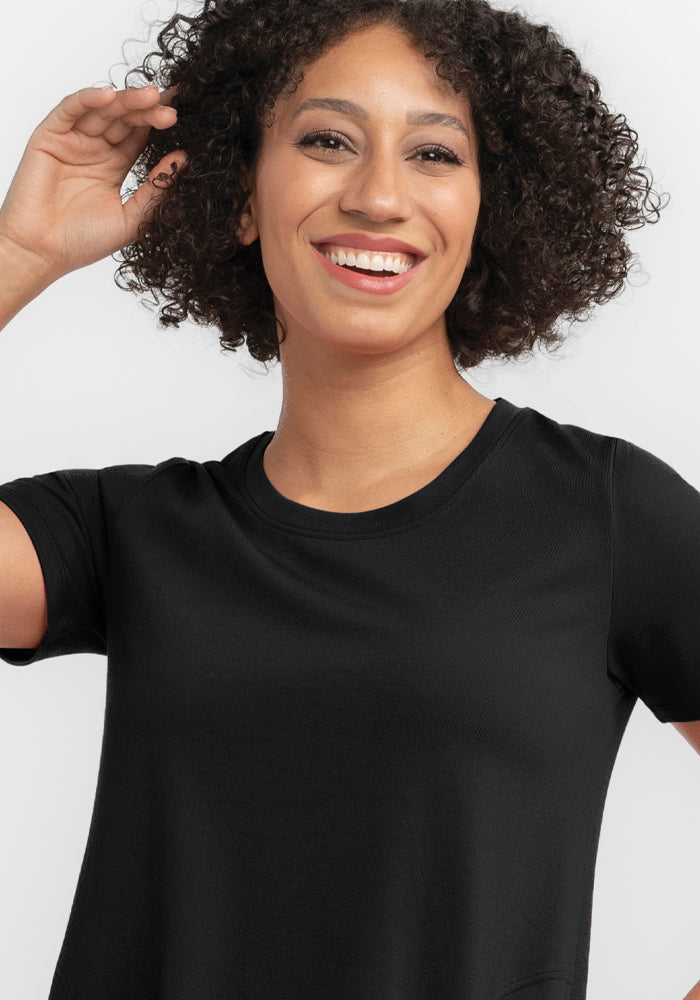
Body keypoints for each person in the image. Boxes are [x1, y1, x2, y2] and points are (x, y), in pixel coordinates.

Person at [0, 0, 698, 998]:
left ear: (489, 207)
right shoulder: (128, 534)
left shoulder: (605, 515)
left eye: (433, 154)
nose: (378, 196)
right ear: (240, 196)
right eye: (327, 140)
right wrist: (17, 256)